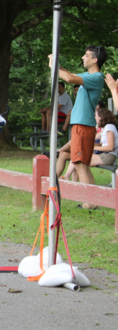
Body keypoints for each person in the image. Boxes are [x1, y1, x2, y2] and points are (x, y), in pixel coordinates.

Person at [49, 45, 106, 209]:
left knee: (80, 164)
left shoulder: (96, 77)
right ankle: (94, 201)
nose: (83, 57)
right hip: (82, 125)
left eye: (86, 55)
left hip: (83, 125)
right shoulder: (88, 75)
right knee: (84, 165)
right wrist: (58, 65)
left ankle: (89, 203)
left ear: (95, 60)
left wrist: (54, 66)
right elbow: (71, 75)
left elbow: (69, 79)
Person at [61, 108, 118, 181]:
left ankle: (68, 176)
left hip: (108, 156)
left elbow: (110, 147)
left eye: (95, 115)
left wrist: (93, 148)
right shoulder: (104, 128)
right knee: (77, 158)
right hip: (104, 155)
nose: (95, 117)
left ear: (101, 117)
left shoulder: (109, 127)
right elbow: (100, 144)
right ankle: (73, 183)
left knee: (78, 159)